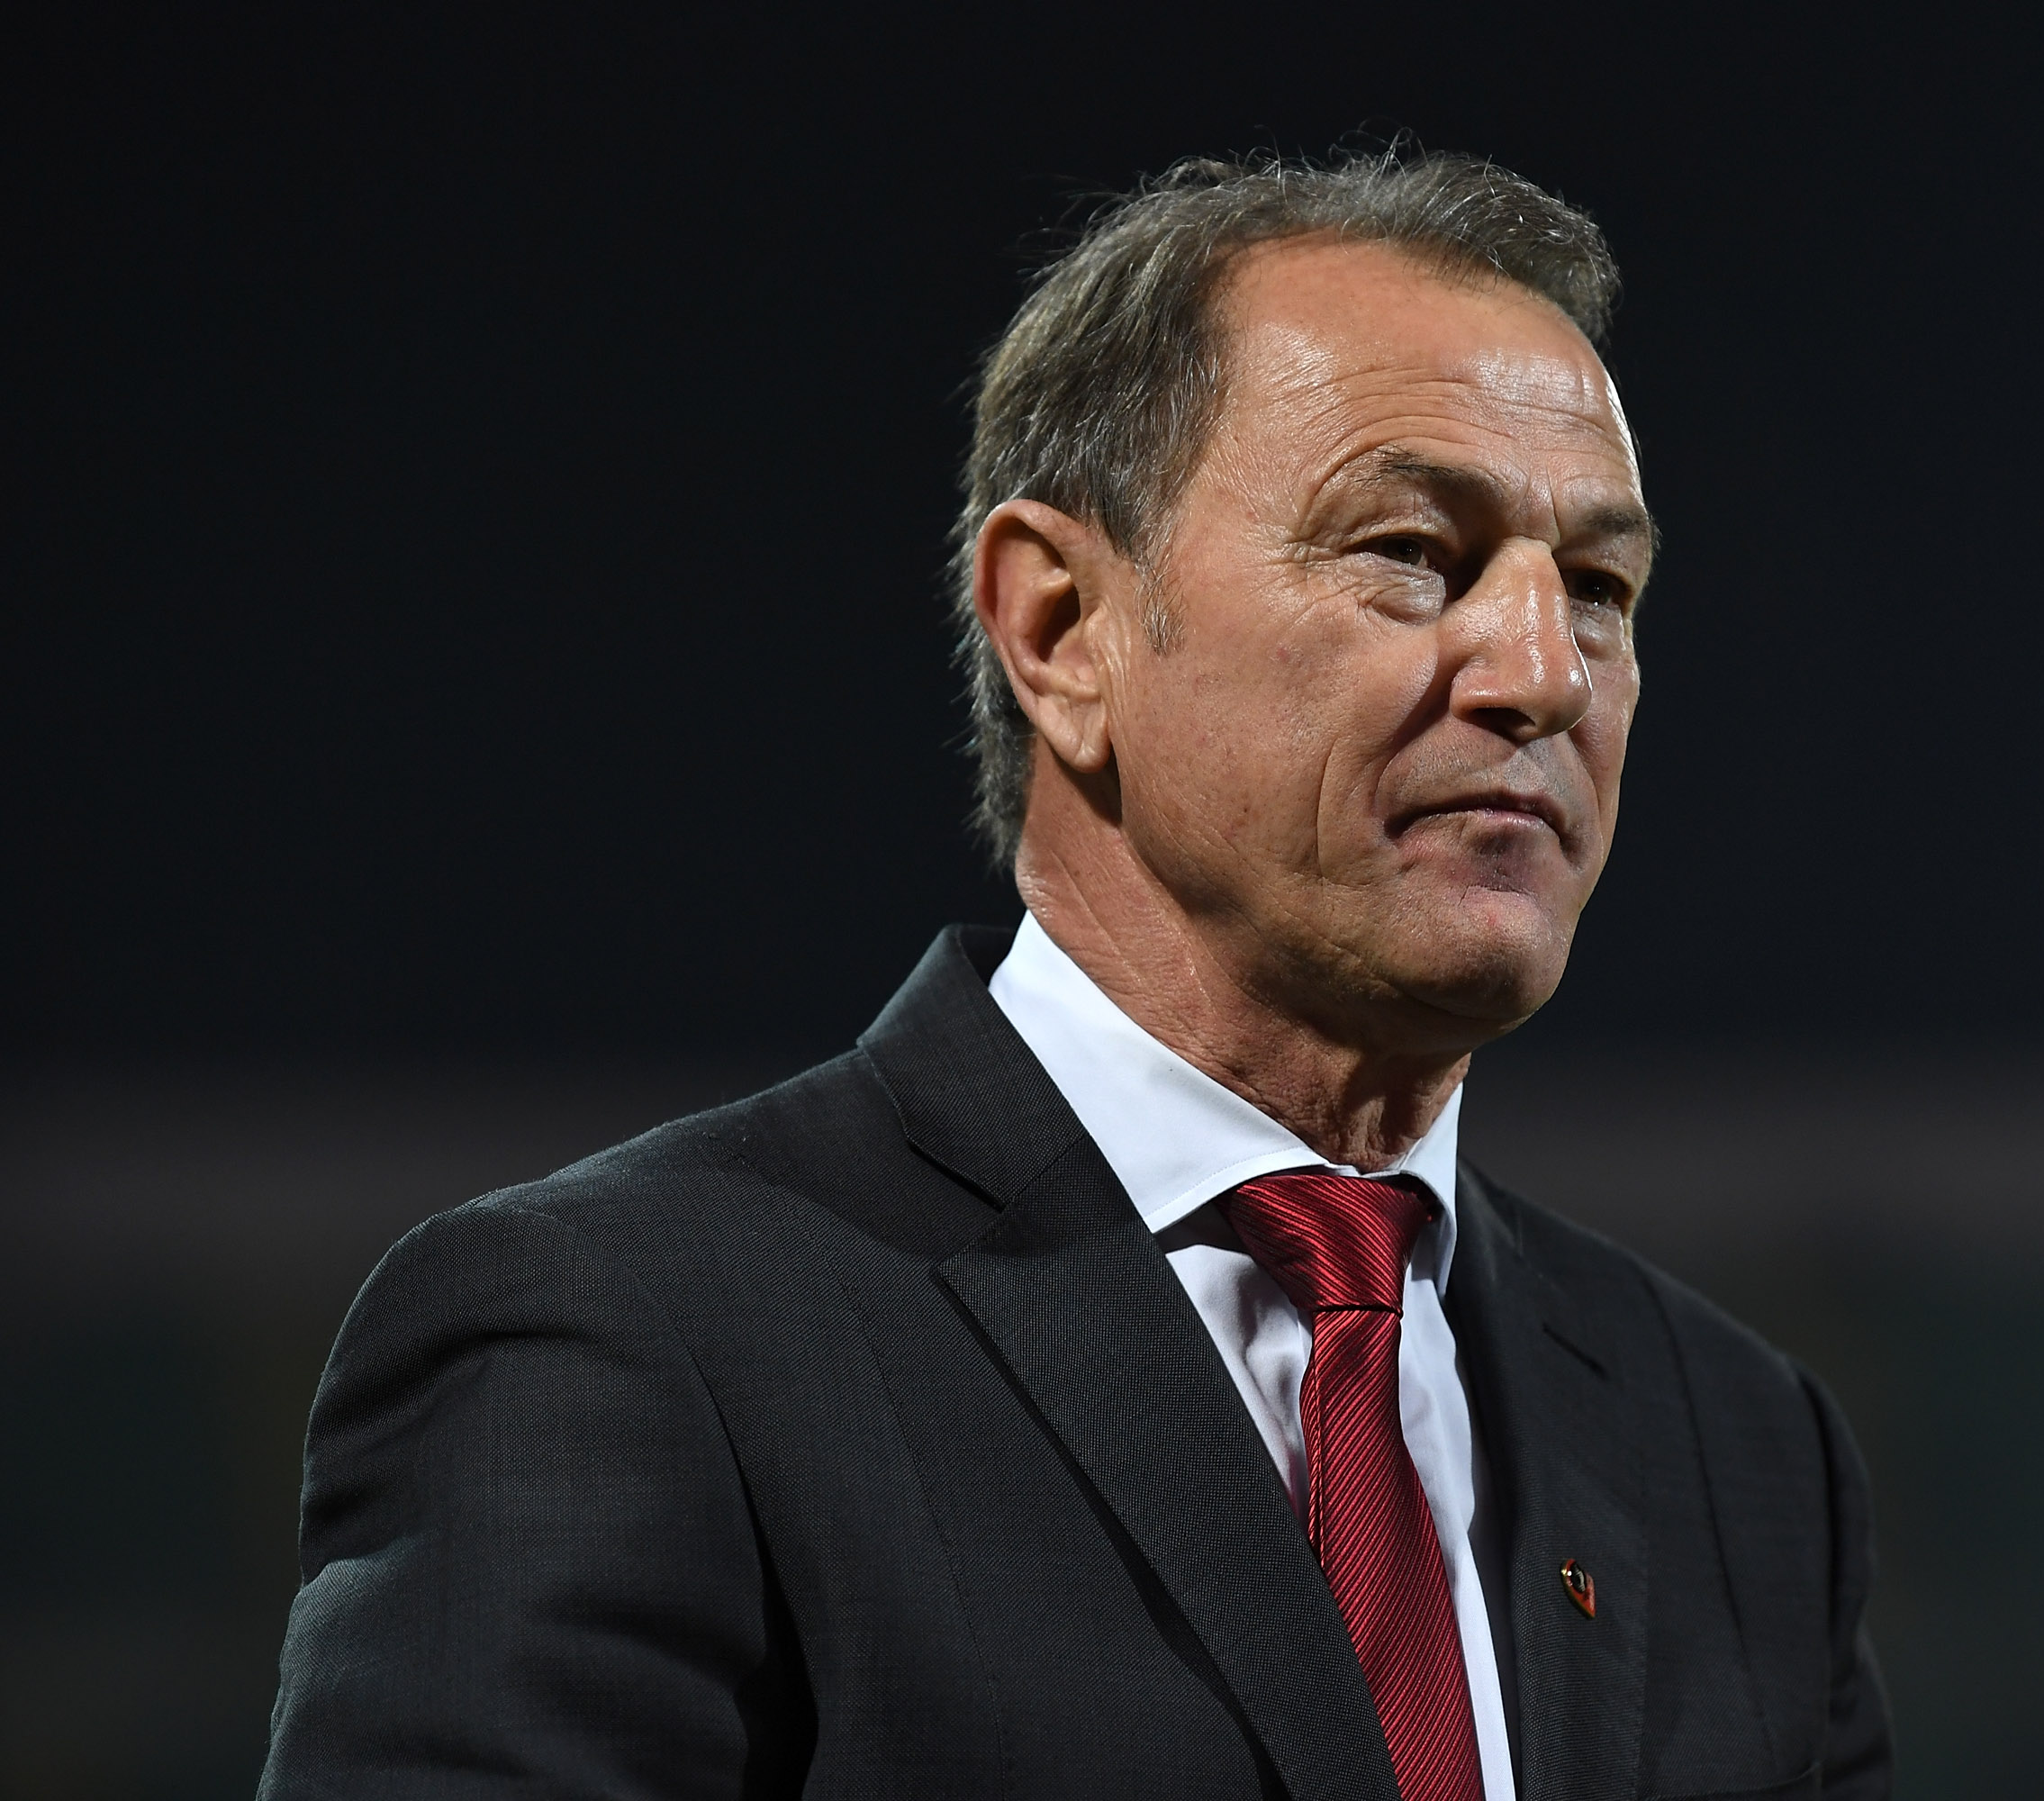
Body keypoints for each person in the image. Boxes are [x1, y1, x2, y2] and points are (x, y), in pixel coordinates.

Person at [259, 149, 1891, 1801]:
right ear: (1062, 628)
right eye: (1414, 550)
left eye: (1599, 589)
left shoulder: (1738, 1451)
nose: (1546, 672)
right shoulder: (622, 1344)